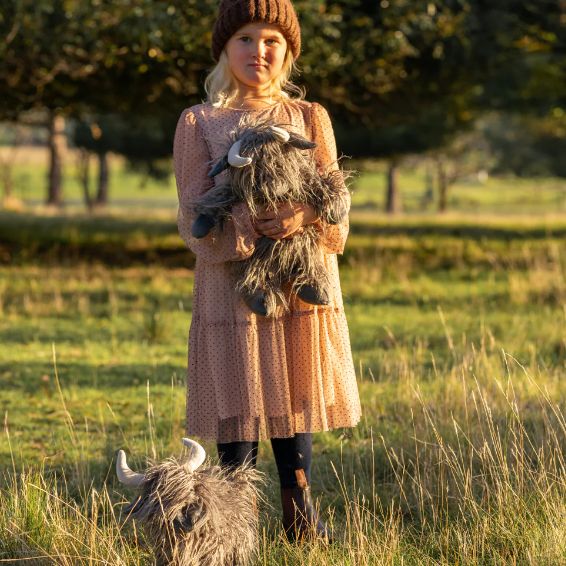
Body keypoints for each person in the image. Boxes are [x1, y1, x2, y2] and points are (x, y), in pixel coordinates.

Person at [172, 0, 362, 544]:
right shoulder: (197, 121)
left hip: (298, 277)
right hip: (231, 284)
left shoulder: (309, 117)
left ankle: (299, 513)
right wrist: (248, 227)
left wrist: (303, 216)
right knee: (238, 393)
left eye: (272, 41)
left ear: (289, 52)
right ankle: (234, 523)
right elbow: (192, 212)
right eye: (246, 39)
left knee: (291, 390)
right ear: (224, 50)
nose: (259, 51)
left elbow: (336, 199)